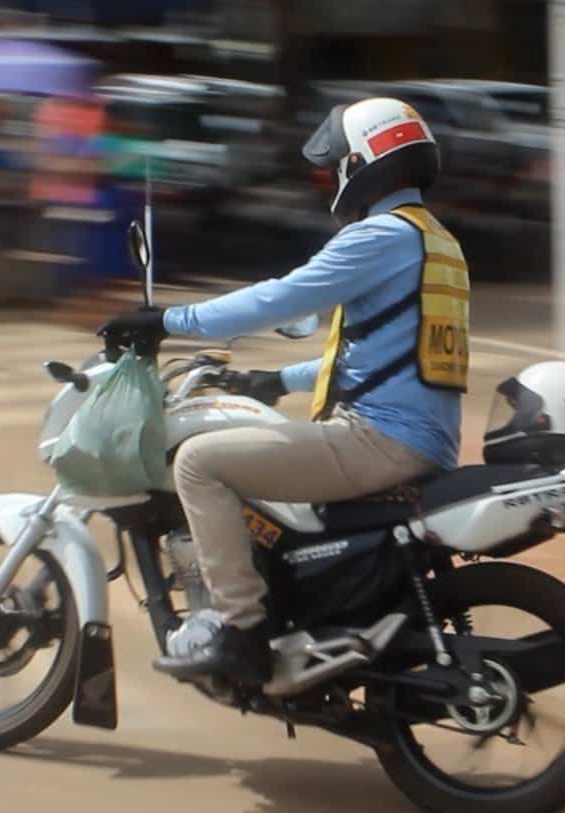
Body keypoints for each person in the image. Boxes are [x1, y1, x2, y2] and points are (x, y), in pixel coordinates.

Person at [98, 98, 471, 684]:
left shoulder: (379, 237)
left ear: (362, 160)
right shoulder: (437, 242)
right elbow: (379, 356)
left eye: (336, 165)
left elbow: (280, 299)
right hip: (420, 438)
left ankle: (240, 632)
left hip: (380, 441)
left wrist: (168, 321)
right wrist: (276, 380)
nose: (332, 178)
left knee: (198, 464)